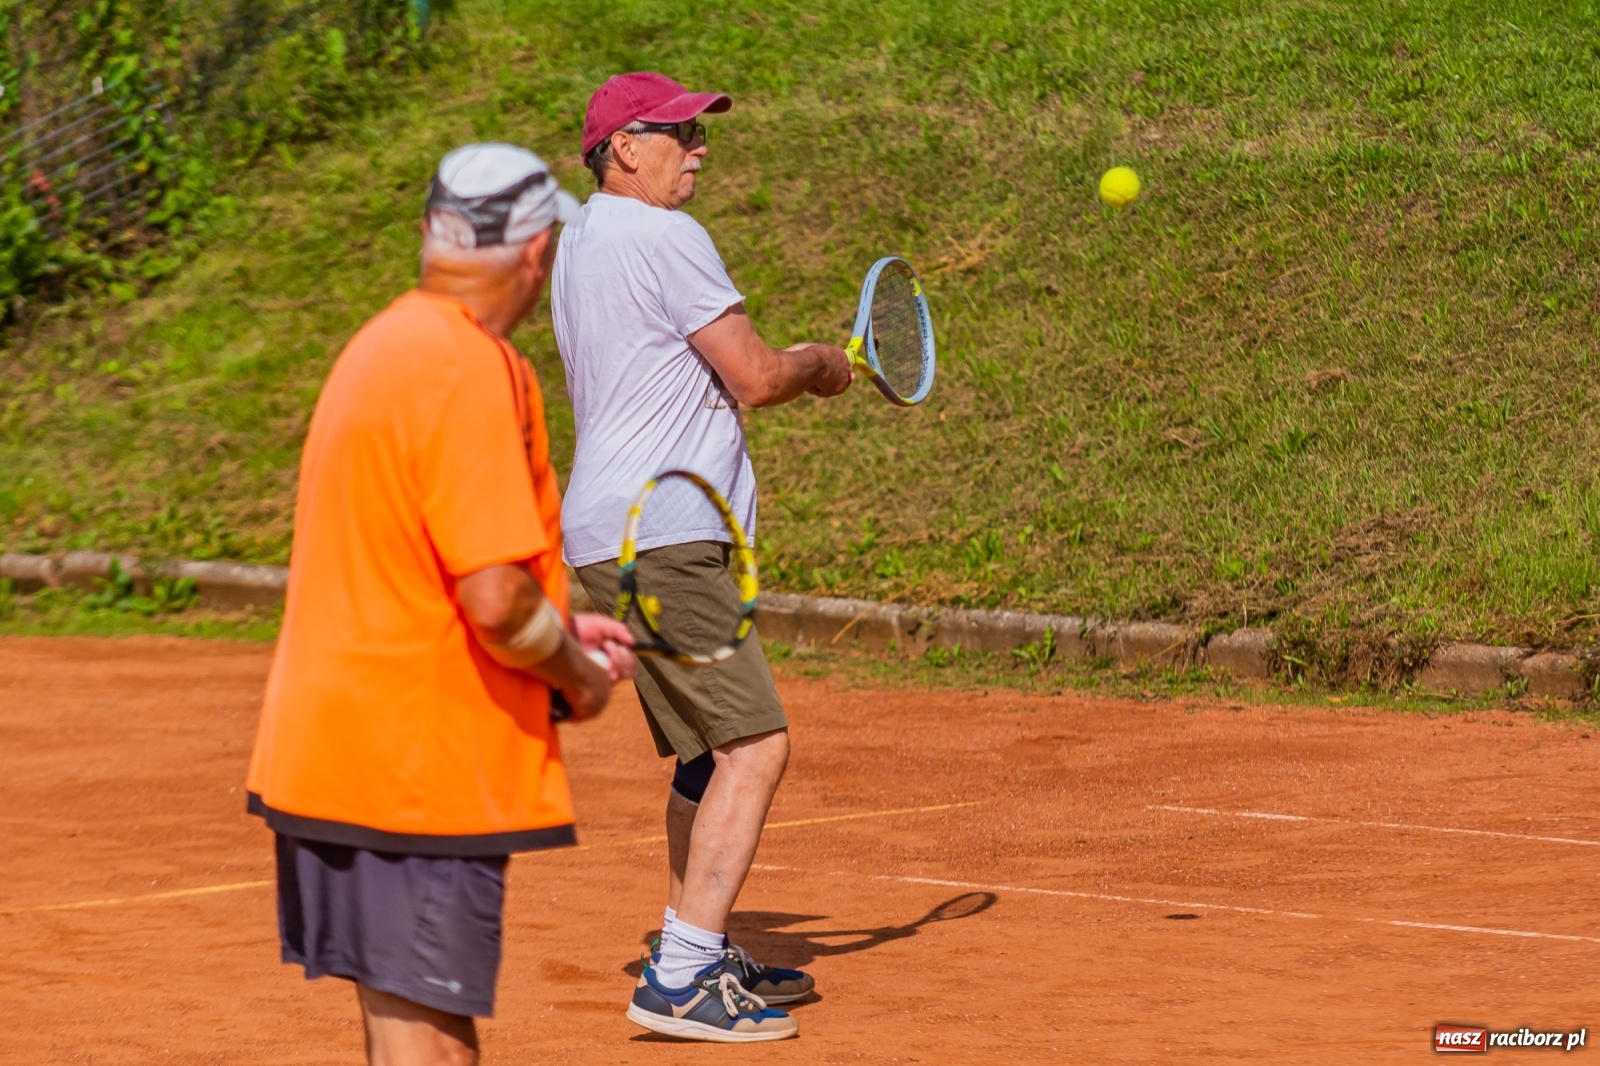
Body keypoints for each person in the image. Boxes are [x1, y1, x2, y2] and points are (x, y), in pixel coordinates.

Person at [246, 143, 636, 1066]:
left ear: (433, 234)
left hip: (332, 754)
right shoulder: (471, 365)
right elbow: (495, 604)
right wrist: (575, 674)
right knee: (433, 1042)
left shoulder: (380, 345)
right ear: (536, 251)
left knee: (399, 1026)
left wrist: (553, 621)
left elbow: (420, 566)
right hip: (414, 769)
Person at [551, 72, 855, 1043]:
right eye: (679, 132)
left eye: (698, 132)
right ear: (624, 147)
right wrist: (821, 365)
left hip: (610, 532)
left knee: (700, 757)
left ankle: (697, 941)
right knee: (754, 746)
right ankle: (681, 975)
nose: (699, 148)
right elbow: (756, 376)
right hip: (665, 534)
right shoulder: (664, 234)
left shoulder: (580, 240)